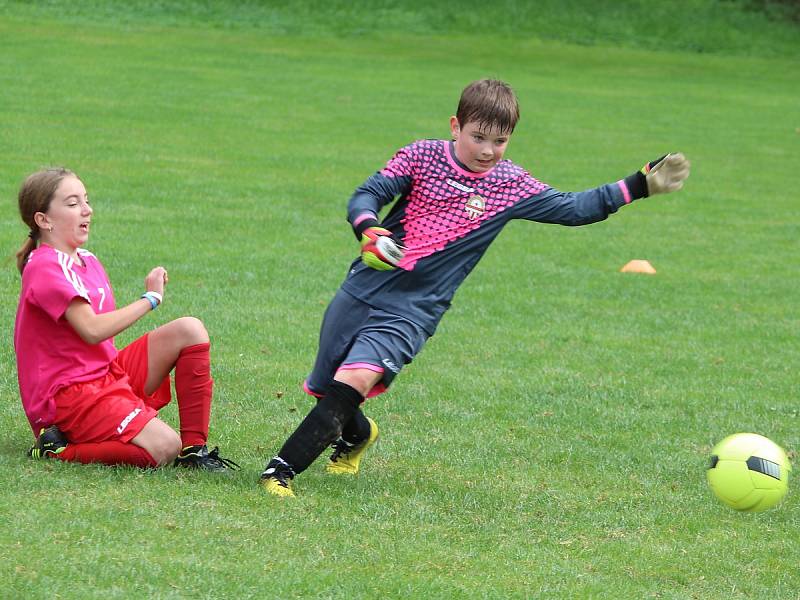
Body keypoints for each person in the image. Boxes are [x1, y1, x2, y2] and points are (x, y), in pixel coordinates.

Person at [259, 79, 690, 497]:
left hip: (414, 309)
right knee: (329, 388)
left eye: (500, 141)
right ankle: (358, 435)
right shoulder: (421, 156)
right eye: (478, 137)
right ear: (455, 126)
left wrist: (639, 185)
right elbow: (368, 194)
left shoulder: (511, 184)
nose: (487, 151)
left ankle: (279, 473)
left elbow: (574, 208)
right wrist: (368, 228)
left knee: (355, 378)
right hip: (363, 289)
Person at [14, 168, 239, 471]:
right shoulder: (45, 266)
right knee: (163, 447)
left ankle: (194, 452)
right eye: (72, 203)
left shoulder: (88, 260)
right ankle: (57, 450)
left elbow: (97, 341)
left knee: (190, 329)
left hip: (104, 376)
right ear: (43, 220)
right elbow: (92, 330)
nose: (87, 210)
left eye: (86, 200)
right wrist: (150, 299)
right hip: (68, 398)